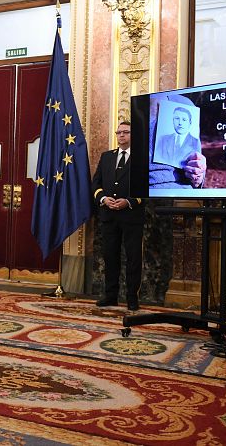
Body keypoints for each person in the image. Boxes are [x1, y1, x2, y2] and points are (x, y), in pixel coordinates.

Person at [91, 121, 144, 311]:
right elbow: (95, 183)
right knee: (110, 256)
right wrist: (104, 198)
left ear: (133, 135)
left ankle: (132, 298)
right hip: (109, 215)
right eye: (119, 132)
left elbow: (146, 188)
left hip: (131, 215)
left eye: (126, 132)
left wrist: (128, 201)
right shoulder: (107, 157)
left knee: (133, 258)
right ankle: (110, 295)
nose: (121, 136)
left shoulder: (141, 158)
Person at [150, 105, 207, 188]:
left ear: (190, 123)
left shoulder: (194, 141)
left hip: (183, 189)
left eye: (184, 119)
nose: (180, 123)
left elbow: (198, 173)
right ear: (172, 121)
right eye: (177, 119)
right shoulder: (164, 139)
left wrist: (198, 176)